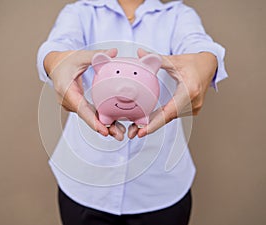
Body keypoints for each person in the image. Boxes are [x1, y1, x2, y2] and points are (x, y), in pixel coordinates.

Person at [37, 0, 228, 224]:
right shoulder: (80, 12)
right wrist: (56, 61)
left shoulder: (178, 15)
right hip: (84, 185)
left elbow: (198, 44)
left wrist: (205, 61)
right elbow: (57, 45)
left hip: (161, 189)